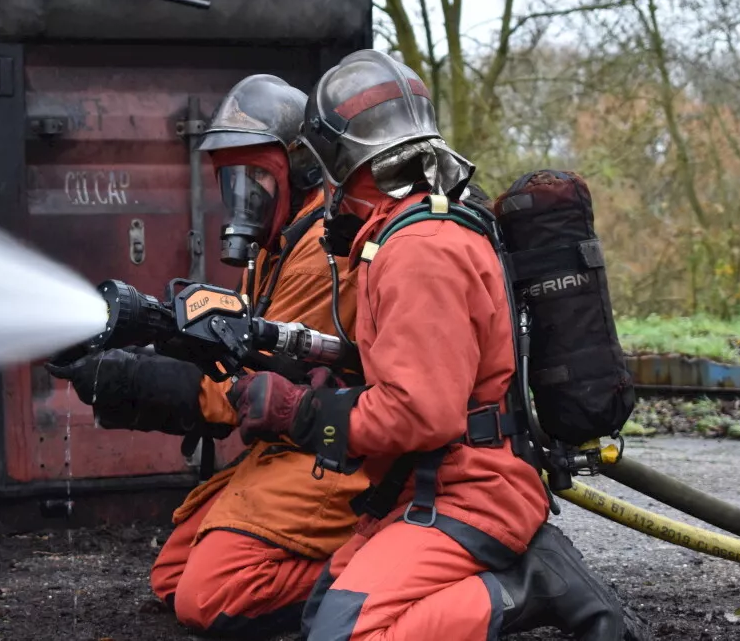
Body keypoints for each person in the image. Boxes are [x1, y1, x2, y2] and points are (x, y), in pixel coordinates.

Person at [226, 50, 641, 641]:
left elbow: (419, 411)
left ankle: (533, 585)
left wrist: (303, 413)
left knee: (349, 636)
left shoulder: (419, 249)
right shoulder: (410, 233)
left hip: (470, 492)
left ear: (343, 162)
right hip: (429, 484)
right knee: (323, 615)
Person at [50, 74, 368, 636]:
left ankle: (386, 561)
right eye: (233, 179)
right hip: (290, 450)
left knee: (211, 598)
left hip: (338, 450)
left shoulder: (322, 250)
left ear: (298, 169)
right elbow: (236, 347)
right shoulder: (282, 243)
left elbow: (256, 384)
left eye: (256, 177)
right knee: (172, 580)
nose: (243, 197)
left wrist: (134, 381)